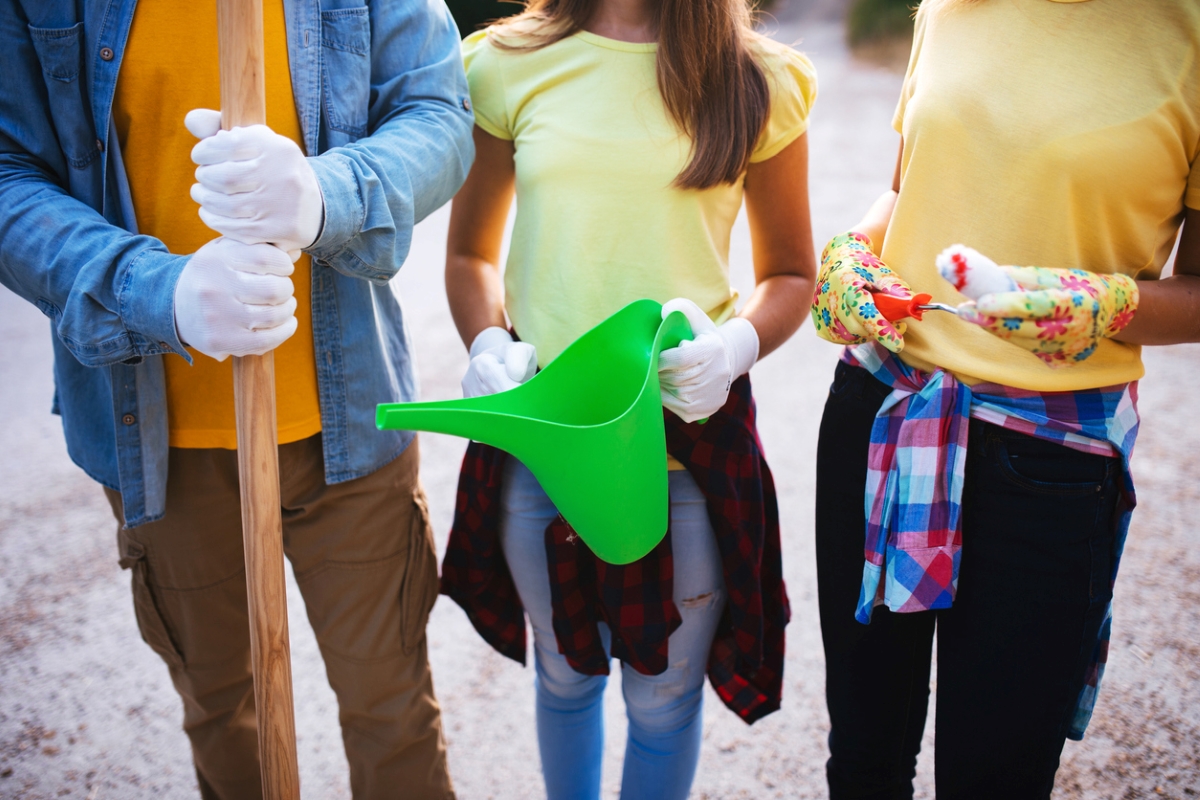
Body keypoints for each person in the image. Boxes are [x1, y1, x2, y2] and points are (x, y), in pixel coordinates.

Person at [0, 1, 473, 798]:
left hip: (349, 427)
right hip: (160, 444)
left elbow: (438, 115)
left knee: (391, 713)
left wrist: (324, 196)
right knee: (223, 715)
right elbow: (9, 169)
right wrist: (160, 289)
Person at [810, 0, 1200, 797]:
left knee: (994, 780)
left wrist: (1107, 305)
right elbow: (905, 190)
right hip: (883, 409)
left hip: (1049, 461)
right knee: (862, 758)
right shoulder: (946, 7)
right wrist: (852, 250)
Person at [438, 0, 816, 798]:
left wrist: (736, 346)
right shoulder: (504, 63)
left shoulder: (760, 80)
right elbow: (471, 253)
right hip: (545, 448)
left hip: (689, 453)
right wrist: (486, 342)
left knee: (664, 701)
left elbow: (791, 275)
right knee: (565, 679)